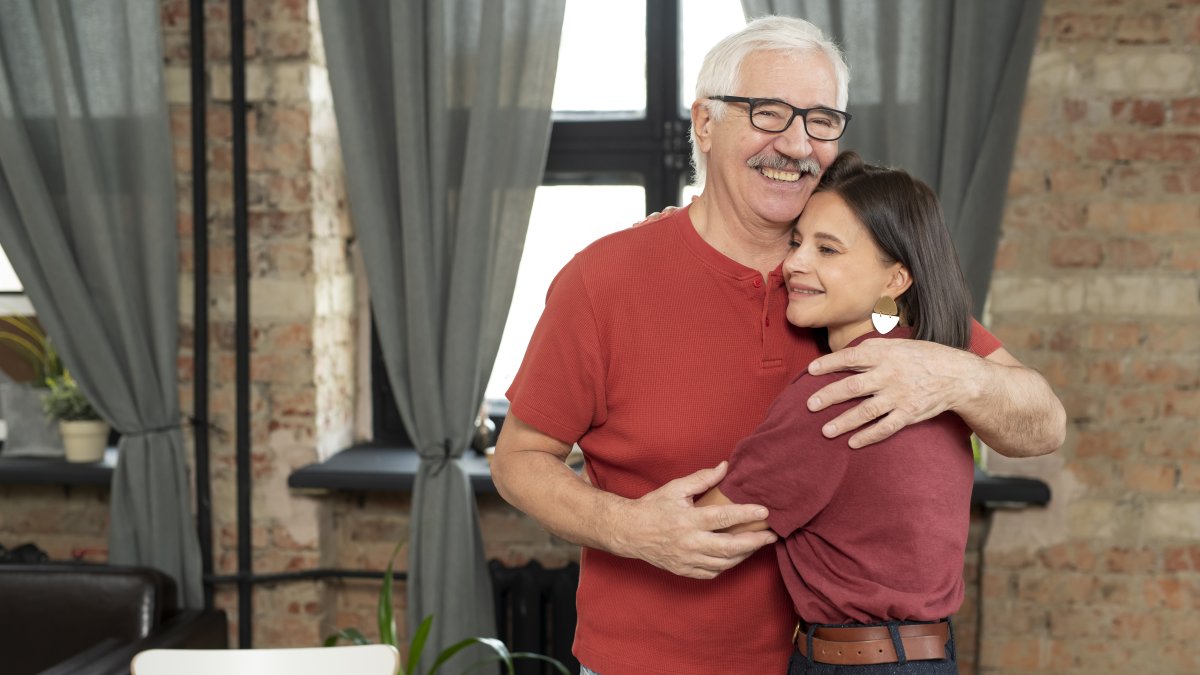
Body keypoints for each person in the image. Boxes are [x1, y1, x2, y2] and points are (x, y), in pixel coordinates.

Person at [492, 16, 1064, 675]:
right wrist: (632, 529)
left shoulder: (865, 284)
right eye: (768, 113)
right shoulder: (603, 279)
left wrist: (954, 376)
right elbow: (518, 460)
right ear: (705, 124)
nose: (796, 142)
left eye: (822, 119)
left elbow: (1043, 423)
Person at [697, 150, 983, 674]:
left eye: (828, 250)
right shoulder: (939, 369)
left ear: (895, 281)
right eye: (796, 242)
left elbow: (708, 531)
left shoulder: (836, 393)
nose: (796, 263)